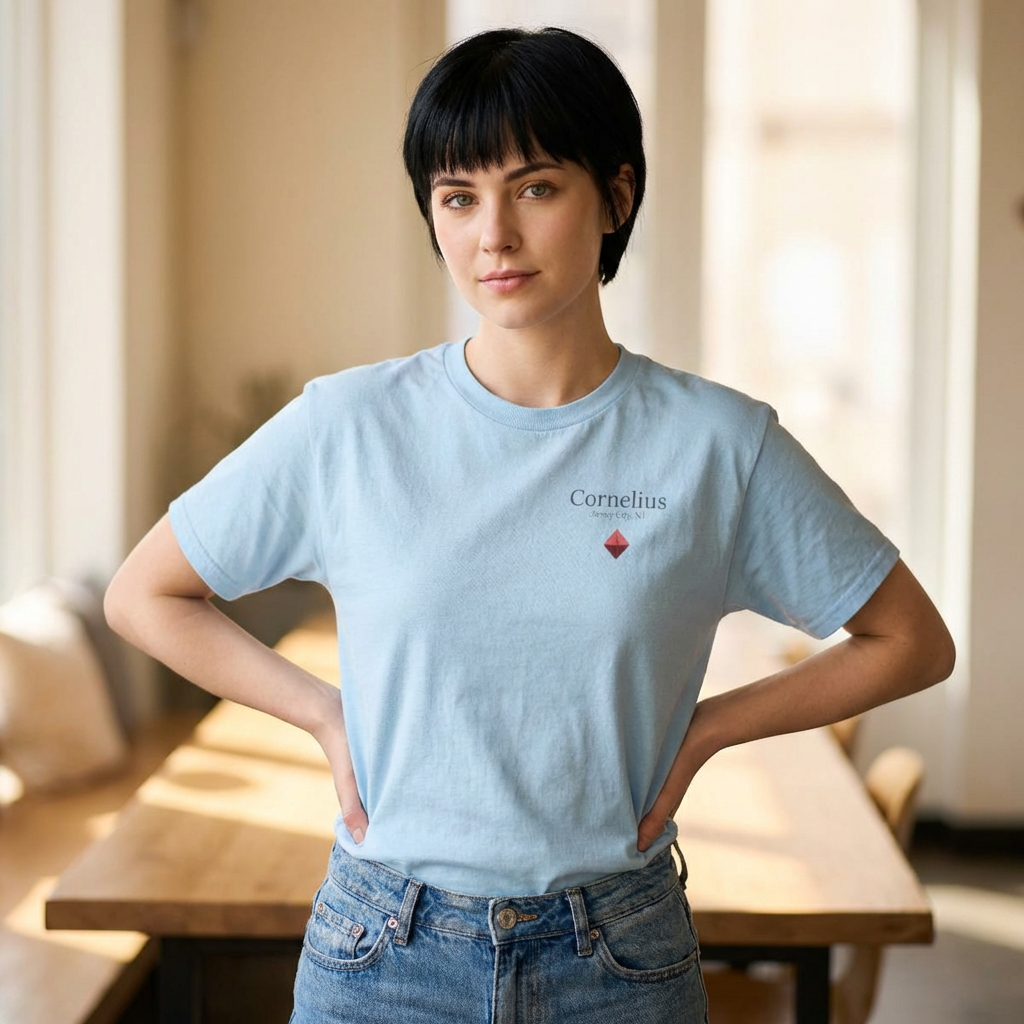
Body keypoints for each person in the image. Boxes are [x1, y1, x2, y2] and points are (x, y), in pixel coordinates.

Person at [105, 26, 954, 1024]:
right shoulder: (347, 426)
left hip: (619, 958)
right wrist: (324, 712)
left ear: (617, 195)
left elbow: (911, 640)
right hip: (383, 951)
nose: (492, 234)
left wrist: (713, 728)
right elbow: (143, 593)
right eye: (458, 196)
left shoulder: (719, 445)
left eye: (535, 187)